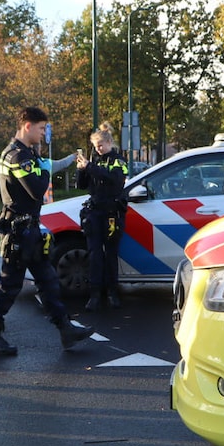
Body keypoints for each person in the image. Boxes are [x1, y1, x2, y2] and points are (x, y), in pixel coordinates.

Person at [0, 106, 94, 356]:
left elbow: (42, 174)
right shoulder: (17, 156)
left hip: (30, 231)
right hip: (20, 233)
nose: (44, 133)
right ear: (27, 126)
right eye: (41, 128)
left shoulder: (26, 154)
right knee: (9, 285)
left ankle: (65, 329)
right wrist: (42, 166)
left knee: (48, 282)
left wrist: (44, 162)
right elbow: (37, 189)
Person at [77, 122, 129, 311]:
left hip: (111, 213)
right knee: (95, 255)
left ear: (109, 142)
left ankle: (113, 293)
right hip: (94, 212)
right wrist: (81, 170)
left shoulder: (118, 160)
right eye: (95, 146)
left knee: (111, 255)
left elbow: (115, 180)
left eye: (100, 145)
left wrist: (90, 167)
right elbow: (82, 186)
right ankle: (95, 294)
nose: (98, 149)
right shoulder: (93, 161)